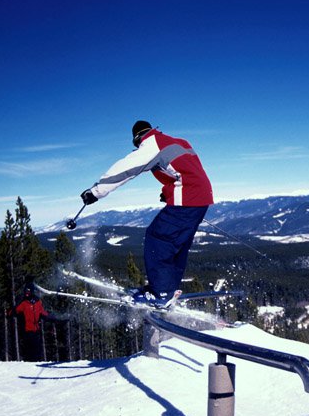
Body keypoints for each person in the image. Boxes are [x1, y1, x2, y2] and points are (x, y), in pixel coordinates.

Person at [80, 120, 214, 307]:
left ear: (137, 138)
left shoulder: (151, 144)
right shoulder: (177, 141)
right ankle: (168, 287)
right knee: (178, 243)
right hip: (201, 196)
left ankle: (161, 294)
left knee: (158, 238)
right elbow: (185, 169)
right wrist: (169, 190)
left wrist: (95, 192)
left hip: (188, 197)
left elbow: (125, 169)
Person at [13, 283, 52, 361]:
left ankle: (36, 362)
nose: (27, 294)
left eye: (28, 292)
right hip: (27, 330)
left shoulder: (37, 303)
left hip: (36, 330)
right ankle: (29, 363)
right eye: (26, 292)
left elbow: (43, 313)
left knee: (37, 348)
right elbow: (15, 311)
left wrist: (54, 317)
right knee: (28, 349)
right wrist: (10, 312)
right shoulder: (24, 303)